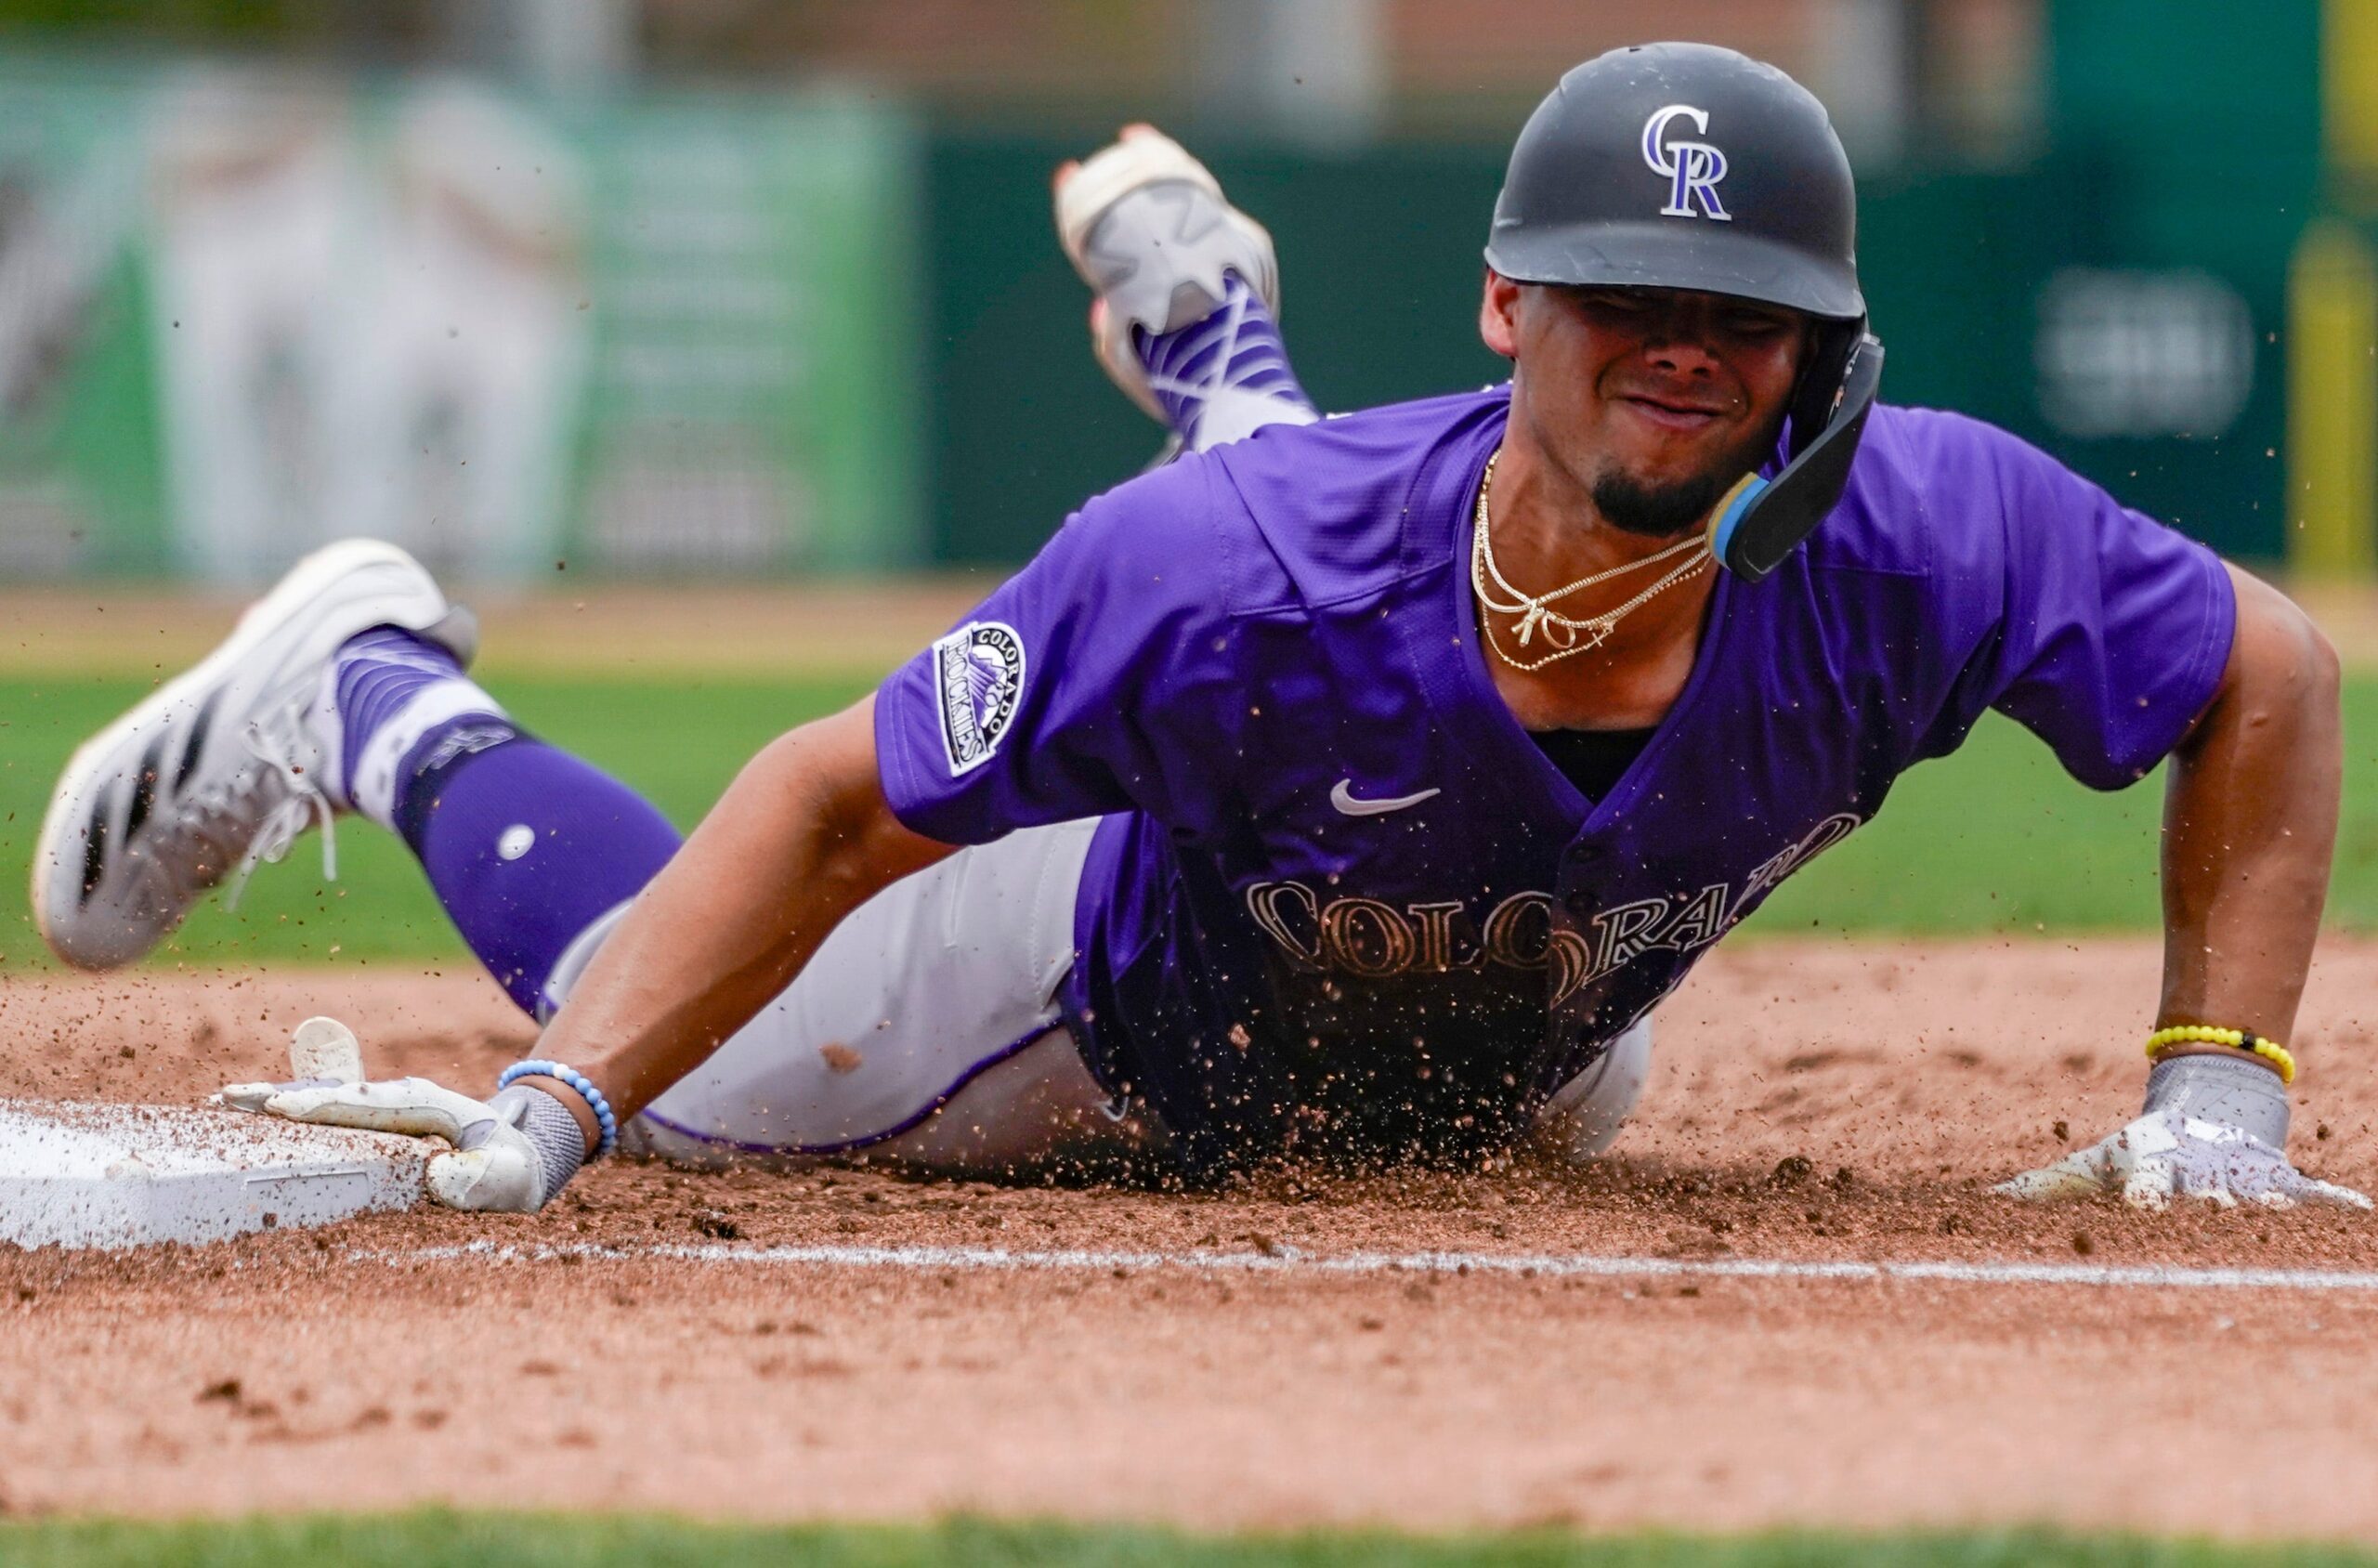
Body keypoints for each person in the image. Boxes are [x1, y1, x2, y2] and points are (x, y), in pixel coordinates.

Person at [34, 43, 2365, 1215]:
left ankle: (1219, 351)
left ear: (1824, 356)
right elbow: (836, 800)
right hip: (1106, 978)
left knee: (1547, 1064)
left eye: (1743, 317)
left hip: (1477, 994)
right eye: (1623, 301)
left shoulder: (1926, 535)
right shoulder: (1241, 582)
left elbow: (2262, 671)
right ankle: (373, 686)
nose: (1685, 345)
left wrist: (2210, 1087)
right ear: (1498, 306)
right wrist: (563, 1099)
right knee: (728, 1076)